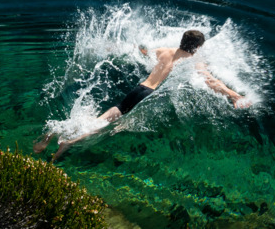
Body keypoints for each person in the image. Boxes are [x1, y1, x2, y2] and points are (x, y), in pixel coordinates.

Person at [33, 29, 249, 161]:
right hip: (148, 94)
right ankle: (70, 141)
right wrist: (233, 95)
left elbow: (141, 51)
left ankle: (52, 133)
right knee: (104, 126)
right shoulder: (192, 60)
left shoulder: (165, 50)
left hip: (138, 88)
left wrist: (114, 46)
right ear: (198, 47)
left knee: (102, 119)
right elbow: (210, 81)